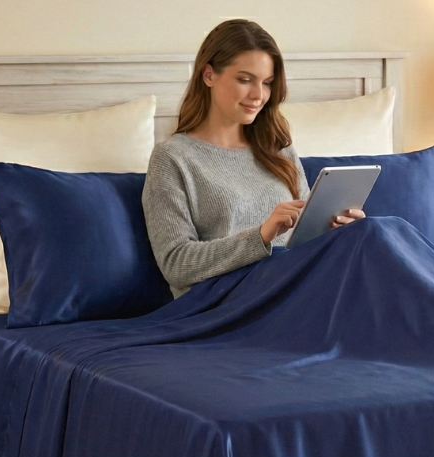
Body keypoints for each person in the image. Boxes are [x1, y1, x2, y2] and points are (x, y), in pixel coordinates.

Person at [142, 20, 364, 298]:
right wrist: (260, 236)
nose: (259, 95)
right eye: (245, 80)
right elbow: (176, 264)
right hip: (230, 300)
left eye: (267, 83)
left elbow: (306, 238)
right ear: (208, 75)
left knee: (376, 233)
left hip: (296, 285)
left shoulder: (277, 147)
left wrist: (338, 231)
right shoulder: (173, 158)